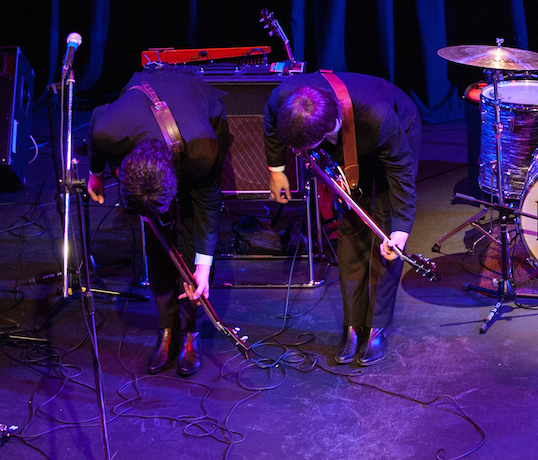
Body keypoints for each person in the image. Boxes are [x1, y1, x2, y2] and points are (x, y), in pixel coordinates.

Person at [264, 72, 421, 367]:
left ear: (325, 131)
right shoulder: (284, 96)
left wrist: (401, 231)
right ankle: (352, 325)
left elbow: (401, 176)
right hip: (344, 139)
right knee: (349, 224)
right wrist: (277, 169)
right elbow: (271, 118)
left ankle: (376, 326)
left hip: (397, 132)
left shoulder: (380, 118)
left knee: (386, 231)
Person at [87, 70, 229, 377]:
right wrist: (96, 174)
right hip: (145, 118)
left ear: (174, 184)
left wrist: (203, 267)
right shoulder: (109, 130)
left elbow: (208, 207)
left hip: (199, 121)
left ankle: (191, 333)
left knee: (194, 243)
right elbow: (95, 128)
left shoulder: (202, 151)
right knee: (156, 239)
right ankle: (167, 328)